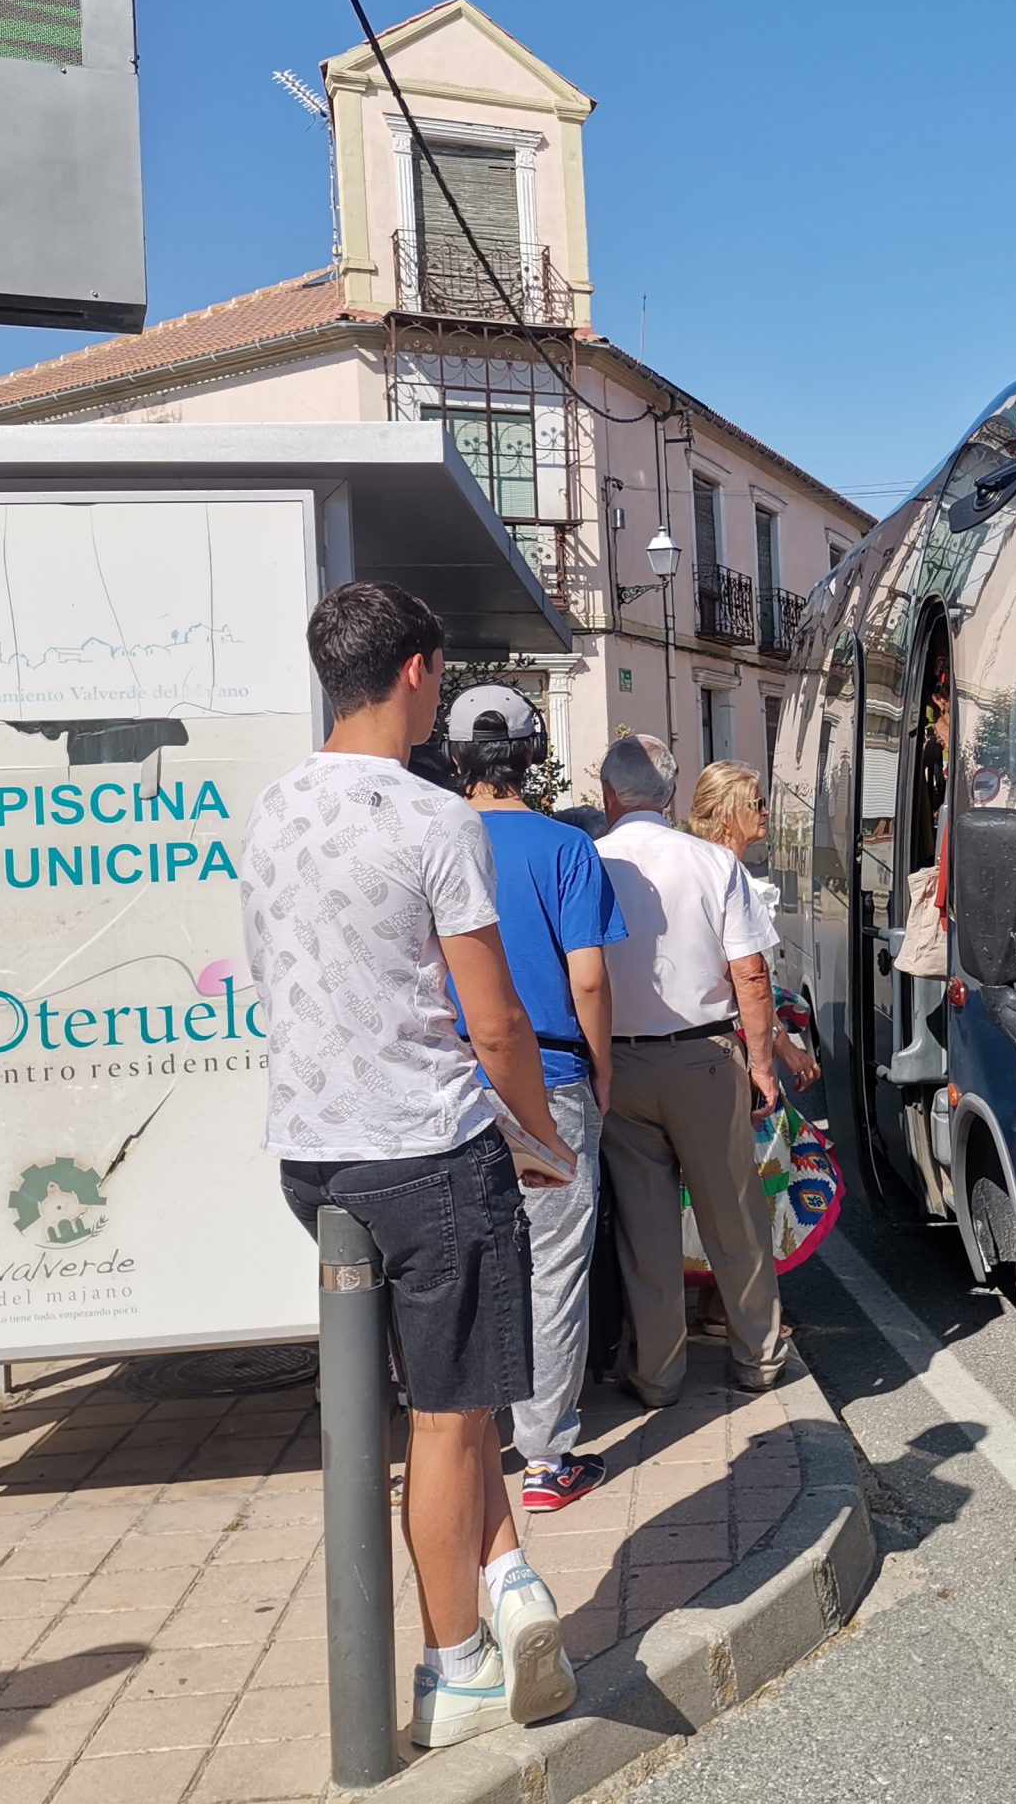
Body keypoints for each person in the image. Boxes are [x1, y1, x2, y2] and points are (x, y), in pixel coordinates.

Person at [240, 581, 579, 1745]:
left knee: (457, 1393)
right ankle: (457, 1663)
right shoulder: (436, 821)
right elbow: (496, 1024)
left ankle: (505, 1575)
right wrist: (540, 1142)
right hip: (428, 1149)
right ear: (420, 673)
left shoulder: (273, 808)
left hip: (313, 1155)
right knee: (448, 1415)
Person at [447, 684, 626, 1515]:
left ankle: (463, 1442)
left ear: (453, 758)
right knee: (553, 1267)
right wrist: (602, 1068)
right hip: (549, 1081)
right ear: (532, 758)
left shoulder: (429, 844)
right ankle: (549, 1458)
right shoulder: (566, 849)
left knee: (468, 1268)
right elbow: (587, 975)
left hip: (448, 1088)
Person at [593, 735, 788, 1405]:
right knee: (734, 1217)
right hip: (705, 1056)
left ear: (607, 795)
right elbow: (751, 974)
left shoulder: (588, 861)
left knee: (645, 1231)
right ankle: (756, 1358)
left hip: (618, 1062)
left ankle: (658, 1376)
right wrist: (761, 1064)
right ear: (672, 795)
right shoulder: (710, 863)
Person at [687, 762, 821, 1093]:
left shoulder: (707, 866)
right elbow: (748, 978)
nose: (766, 811)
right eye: (756, 803)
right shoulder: (726, 874)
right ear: (724, 811)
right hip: (736, 1045)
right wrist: (781, 1048)